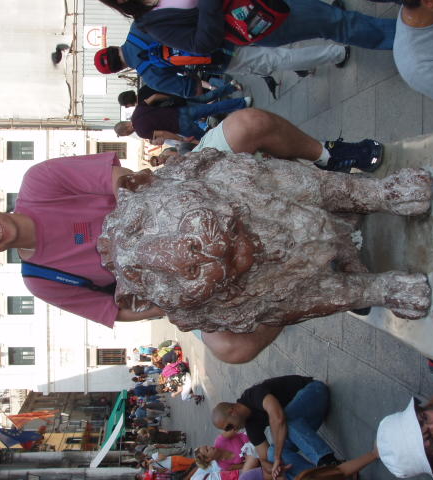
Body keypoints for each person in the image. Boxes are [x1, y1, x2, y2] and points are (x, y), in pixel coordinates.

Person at [151, 107, 384, 364]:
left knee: (248, 124)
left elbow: (130, 184)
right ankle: (306, 282)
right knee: (233, 348)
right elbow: (131, 309)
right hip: (175, 283)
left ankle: (328, 157)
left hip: (175, 203)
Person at [0, 153, 164, 328]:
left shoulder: (39, 181)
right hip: (168, 272)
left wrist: (137, 225)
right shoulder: (41, 281)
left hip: (163, 211)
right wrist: (163, 309)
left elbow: (118, 177)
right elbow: (112, 310)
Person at [94, 24, 349, 98]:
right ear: (112, 46)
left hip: (220, 59)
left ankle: (337, 53)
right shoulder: (139, 27)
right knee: (277, 29)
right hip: (221, 26)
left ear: (120, 69)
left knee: (274, 59)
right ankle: (329, 26)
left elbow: (188, 88)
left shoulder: (149, 75)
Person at [98, 0, 394, 52]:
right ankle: (409, 37)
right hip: (259, 16)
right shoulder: (153, 23)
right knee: (337, 22)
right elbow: (203, 44)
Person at [212, 375, 338, 480]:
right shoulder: (250, 426)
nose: (231, 430)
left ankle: (329, 462)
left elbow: (278, 417)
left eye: (228, 426)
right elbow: (264, 456)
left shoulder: (252, 395)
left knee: (283, 421)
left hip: (314, 393)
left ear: (232, 412)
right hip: (305, 424)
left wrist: (277, 457)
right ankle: (320, 476)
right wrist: (270, 466)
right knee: (272, 453)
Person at [115, 81, 251, 141]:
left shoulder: (141, 132)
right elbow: (155, 97)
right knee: (211, 107)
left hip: (179, 126)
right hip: (178, 109)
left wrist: (180, 139)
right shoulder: (138, 110)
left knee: (206, 136)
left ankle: (236, 133)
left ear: (126, 131)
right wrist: (170, 98)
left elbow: (162, 133)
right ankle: (243, 101)